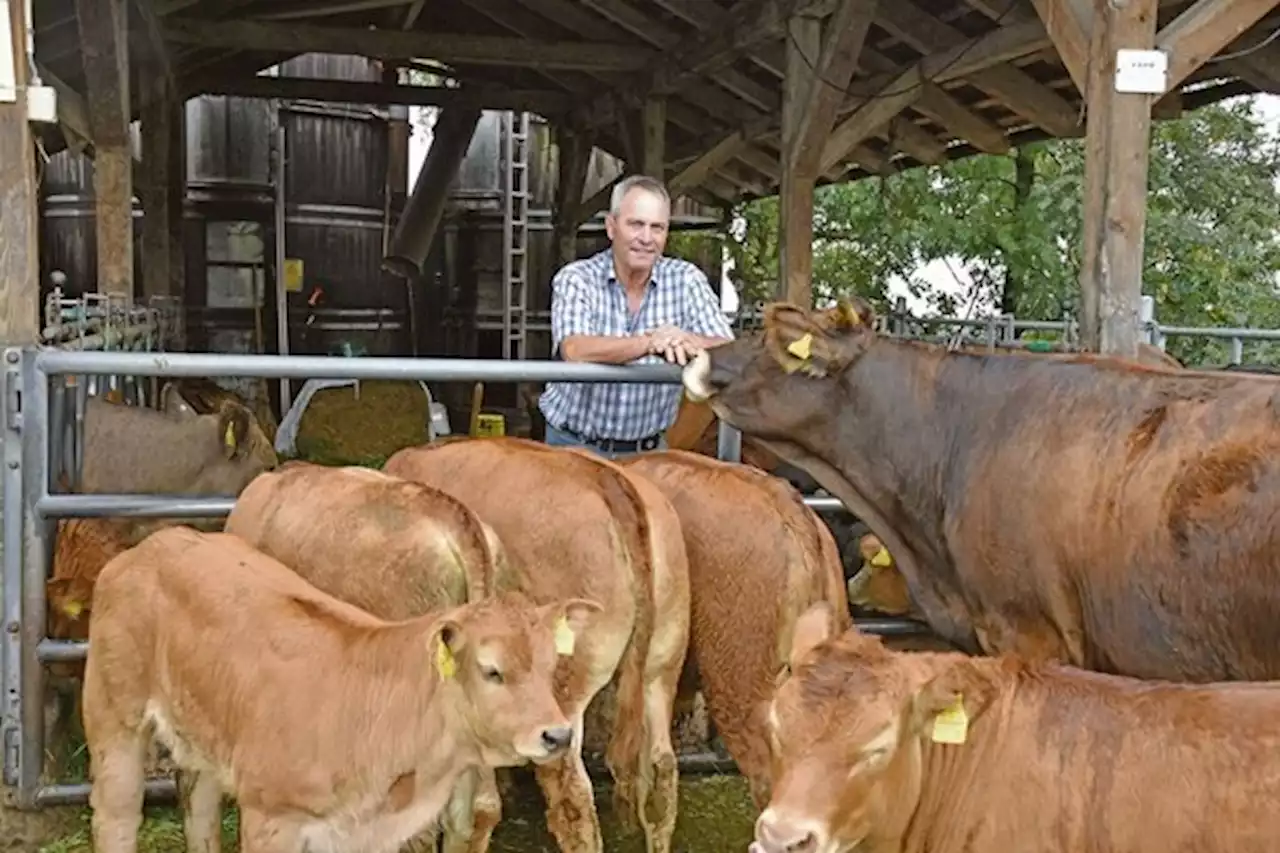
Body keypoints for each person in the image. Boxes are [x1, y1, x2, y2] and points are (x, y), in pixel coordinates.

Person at [539, 174, 735, 459]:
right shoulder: (577, 278)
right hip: (573, 447)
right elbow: (575, 349)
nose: (646, 238)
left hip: (649, 452)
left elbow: (727, 348)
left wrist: (685, 339)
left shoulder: (686, 280)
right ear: (611, 227)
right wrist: (649, 343)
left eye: (657, 228)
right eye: (636, 224)